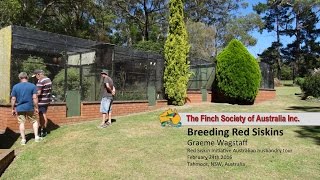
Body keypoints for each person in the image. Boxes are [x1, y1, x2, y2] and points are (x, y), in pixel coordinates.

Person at [11, 72, 41, 145]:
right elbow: (34, 97)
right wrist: (36, 107)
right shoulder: (32, 86)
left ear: (19, 78)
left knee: (21, 123)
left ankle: (23, 140)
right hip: (30, 107)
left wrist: (13, 108)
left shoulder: (15, 87)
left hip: (20, 107)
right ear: (27, 77)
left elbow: (13, 99)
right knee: (34, 121)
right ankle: (36, 137)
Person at [32, 69, 52, 137]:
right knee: (43, 114)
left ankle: (43, 130)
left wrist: (32, 94)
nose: (35, 78)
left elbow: (38, 93)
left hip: (41, 102)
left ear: (38, 74)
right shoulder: (48, 79)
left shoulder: (40, 81)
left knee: (42, 115)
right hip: (46, 100)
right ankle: (43, 129)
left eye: (35, 76)